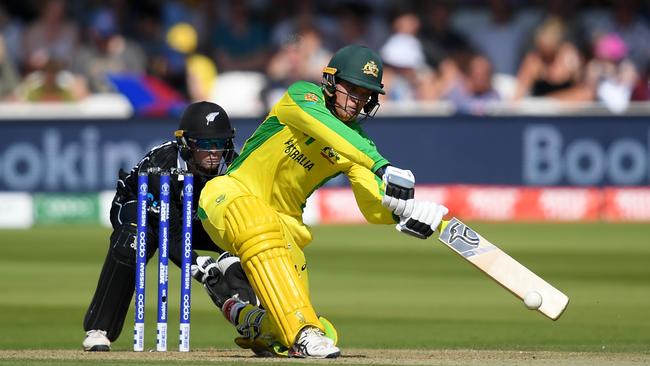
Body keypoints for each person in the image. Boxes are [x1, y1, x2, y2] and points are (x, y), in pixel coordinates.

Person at [198, 45, 448, 359]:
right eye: (352, 90)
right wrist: (381, 164)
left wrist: (404, 211)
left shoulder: (359, 147)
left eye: (365, 95)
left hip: (285, 228)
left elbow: (373, 203)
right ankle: (304, 335)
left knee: (284, 323)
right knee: (300, 321)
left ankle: (238, 309)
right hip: (229, 197)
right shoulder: (302, 97)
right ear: (330, 81)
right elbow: (329, 131)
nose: (357, 101)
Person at [82, 101, 258, 351]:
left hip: (193, 216)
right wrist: (198, 266)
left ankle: (257, 322)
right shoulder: (160, 168)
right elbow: (171, 236)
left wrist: (231, 256)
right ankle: (100, 329)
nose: (213, 152)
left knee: (246, 242)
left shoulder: (231, 168)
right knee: (136, 239)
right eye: (205, 145)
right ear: (187, 145)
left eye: (219, 144)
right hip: (141, 210)